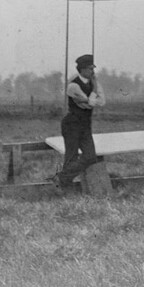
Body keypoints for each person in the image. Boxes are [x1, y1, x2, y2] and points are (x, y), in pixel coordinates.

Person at [52, 54, 106, 188]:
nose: (92, 72)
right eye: (89, 69)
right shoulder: (73, 86)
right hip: (72, 124)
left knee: (90, 156)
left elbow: (102, 102)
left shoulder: (95, 83)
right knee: (71, 156)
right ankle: (64, 187)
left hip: (85, 125)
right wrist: (93, 93)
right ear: (81, 69)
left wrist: (90, 98)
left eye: (93, 68)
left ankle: (61, 178)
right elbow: (88, 105)